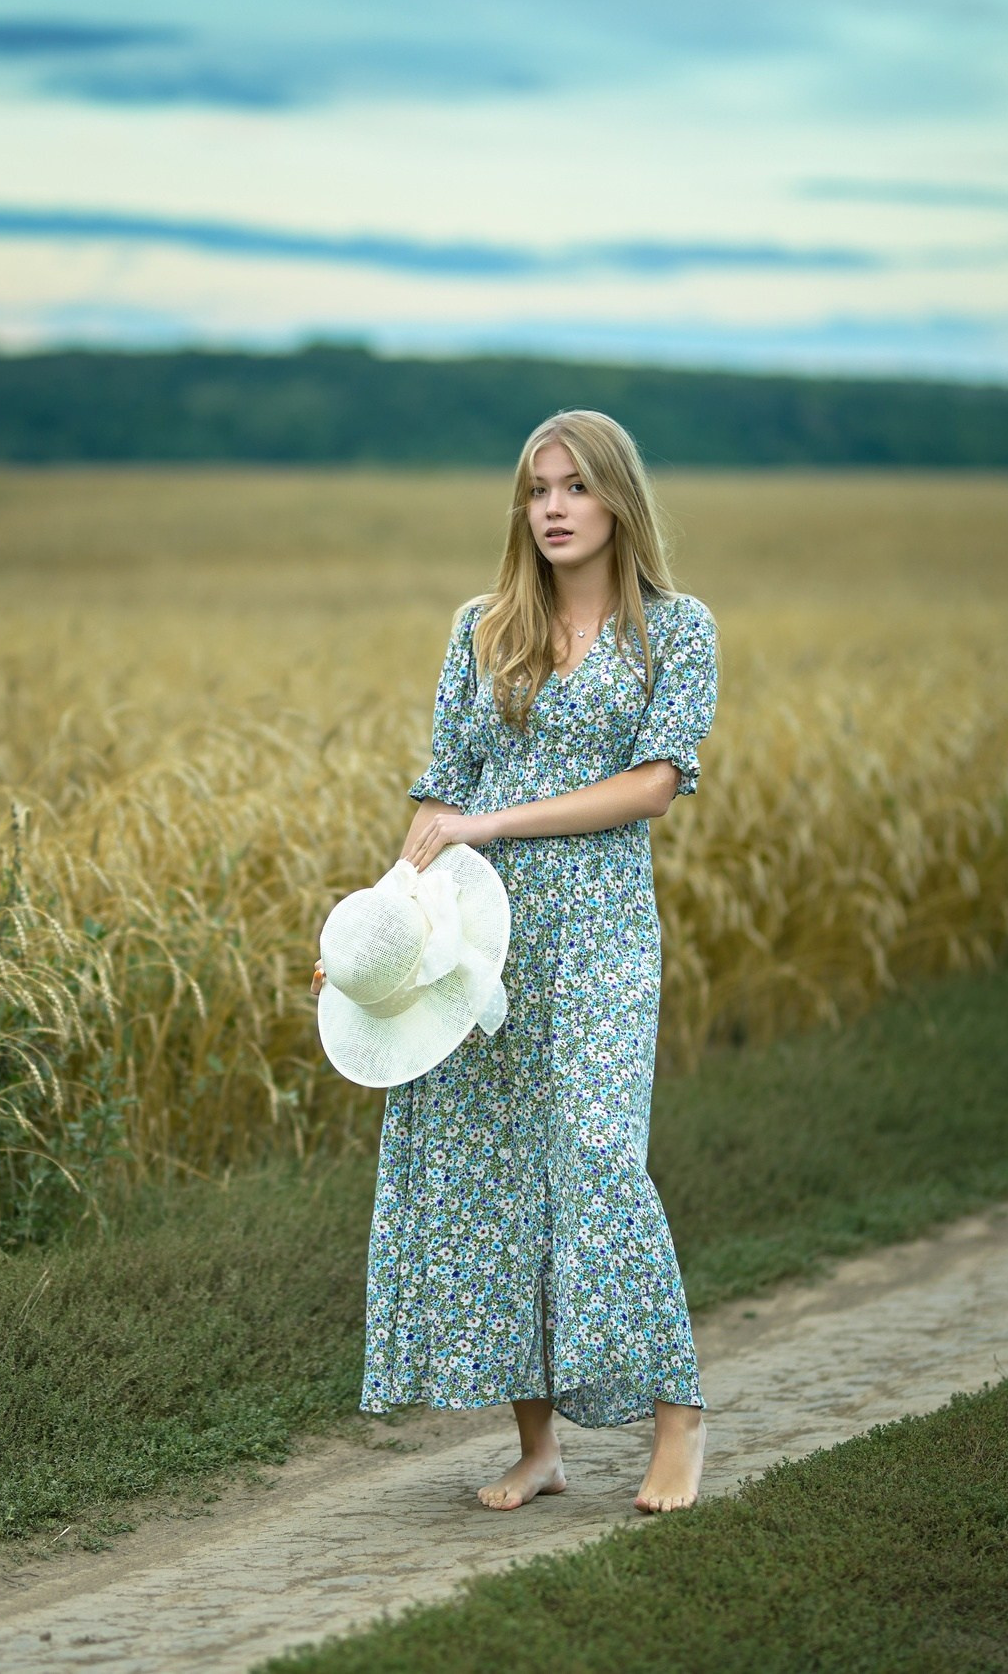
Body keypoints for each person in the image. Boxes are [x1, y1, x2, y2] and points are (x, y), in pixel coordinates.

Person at [316, 408, 715, 1513]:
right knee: (492, 1175)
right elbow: (443, 791)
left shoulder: (674, 632)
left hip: (596, 936)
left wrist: (495, 824)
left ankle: (675, 1416)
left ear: (616, 500)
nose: (552, 507)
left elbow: (653, 786)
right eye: (537, 488)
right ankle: (536, 1447)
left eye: (575, 487)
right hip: (471, 938)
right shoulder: (480, 626)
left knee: (593, 1160)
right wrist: (382, 937)